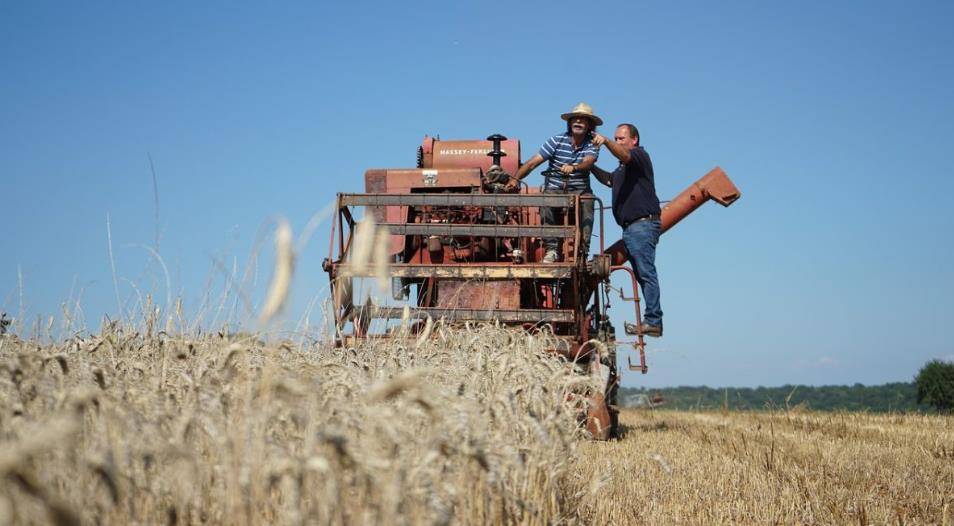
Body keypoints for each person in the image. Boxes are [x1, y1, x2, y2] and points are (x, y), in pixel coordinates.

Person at [590, 123, 663, 337]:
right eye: (616, 138)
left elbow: (624, 154)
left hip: (641, 225)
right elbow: (610, 180)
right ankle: (652, 321)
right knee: (642, 274)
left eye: (621, 138)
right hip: (631, 228)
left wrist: (605, 141)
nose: (619, 141)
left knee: (646, 273)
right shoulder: (623, 168)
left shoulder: (639, 156)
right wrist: (591, 168)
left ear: (634, 140)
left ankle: (653, 321)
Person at [509, 103, 601, 263]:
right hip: (555, 188)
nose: (578, 122)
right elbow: (533, 163)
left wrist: (574, 167)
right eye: (575, 119)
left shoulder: (592, 143)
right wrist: (514, 180)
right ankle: (551, 250)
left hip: (580, 191)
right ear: (569, 122)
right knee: (545, 200)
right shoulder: (556, 141)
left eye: (583, 120)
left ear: (589, 125)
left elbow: (588, 162)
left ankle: (583, 251)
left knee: (588, 202)